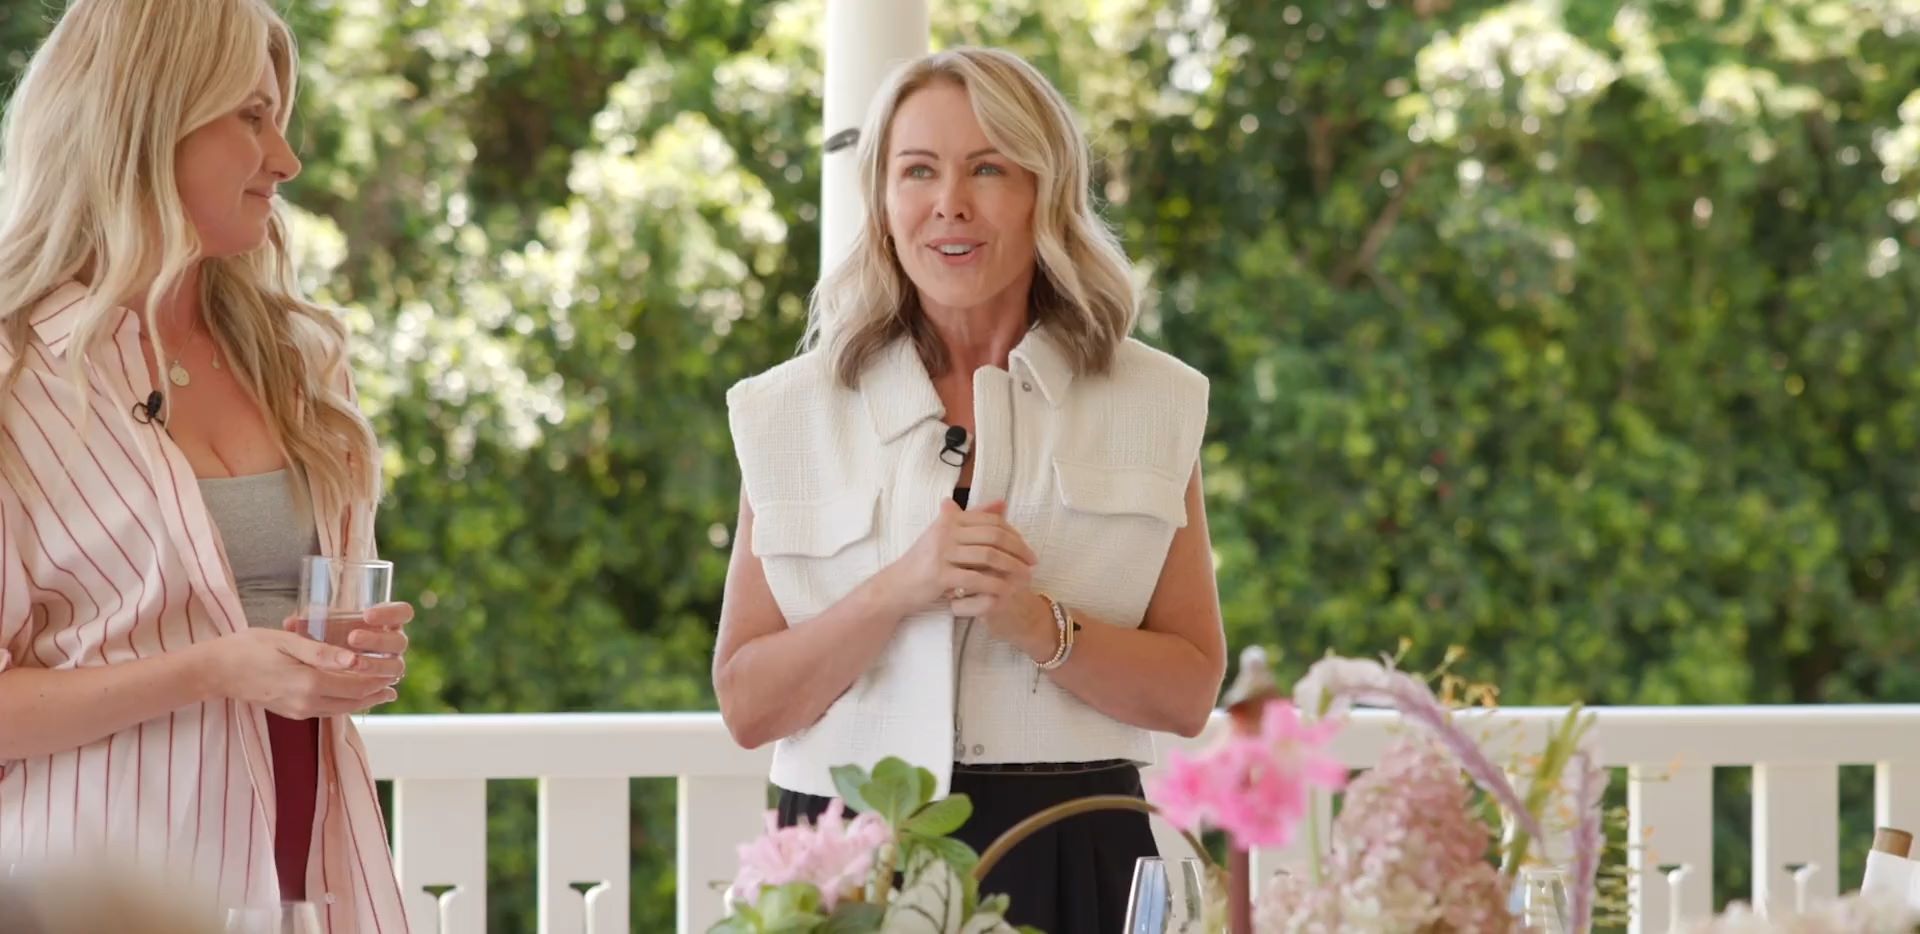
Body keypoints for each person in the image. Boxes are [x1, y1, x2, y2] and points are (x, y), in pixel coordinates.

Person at [714, 46, 1228, 933]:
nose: (949, 201)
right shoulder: (786, 412)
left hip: (1077, 851)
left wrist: (1037, 624)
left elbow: (1188, 691)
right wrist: (900, 588)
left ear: (1046, 192)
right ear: (883, 200)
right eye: (918, 170)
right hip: (845, 867)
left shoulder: (1155, 402)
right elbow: (748, 703)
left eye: (987, 167)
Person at [0, 2, 411, 929]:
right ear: (149, 121)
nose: (286, 160)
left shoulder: (299, 358)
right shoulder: (15, 377)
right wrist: (215, 669)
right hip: (96, 892)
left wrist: (345, 662)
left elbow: (297, 620)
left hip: (308, 869)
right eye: (252, 117)